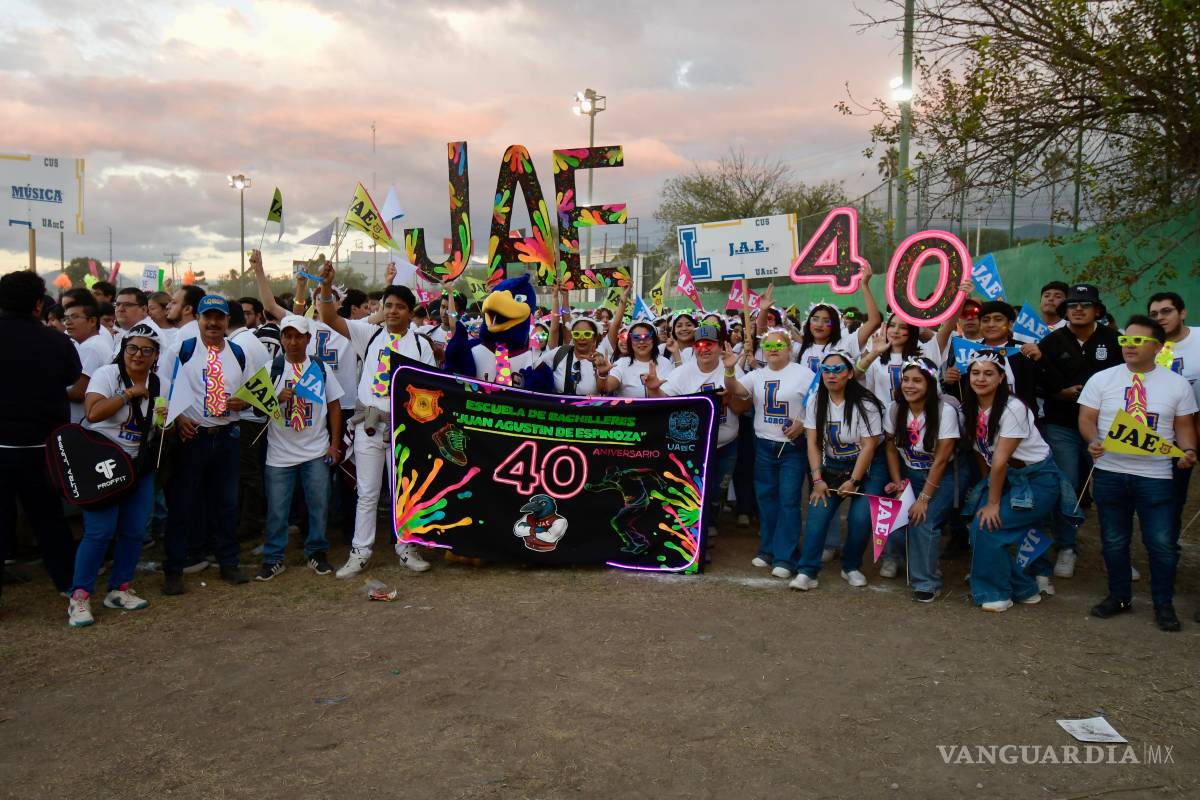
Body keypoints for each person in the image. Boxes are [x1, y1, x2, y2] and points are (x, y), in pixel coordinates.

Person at [315, 262, 437, 577]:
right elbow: (329, 318)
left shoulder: (421, 344)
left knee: (403, 490)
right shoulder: (367, 334)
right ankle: (360, 550)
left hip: (404, 430)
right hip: (368, 426)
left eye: (400, 307)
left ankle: (406, 546)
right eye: (388, 306)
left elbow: (430, 391)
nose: (393, 311)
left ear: (411, 312)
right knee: (367, 491)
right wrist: (327, 288)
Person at [1078, 316, 1197, 631]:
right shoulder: (1101, 380)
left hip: (1157, 477)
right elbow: (1087, 419)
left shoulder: (1177, 385)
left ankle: (1163, 604)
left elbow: (1185, 428)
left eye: (1137, 341)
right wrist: (1092, 441)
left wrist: (1188, 451)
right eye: (1125, 341)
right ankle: (1119, 596)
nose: (1129, 347)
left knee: (1161, 543)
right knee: (1114, 540)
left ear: (1157, 346)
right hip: (1109, 472)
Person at [961, 353, 1074, 612]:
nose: (981, 378)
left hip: (1038, 480)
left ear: (1002, 378)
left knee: (988, 523)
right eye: (976, 373)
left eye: (989, 373)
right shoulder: (969, 407)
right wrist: (986, 486)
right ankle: (1024, 589)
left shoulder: (1014, 407)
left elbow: (999, 460)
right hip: (1007, 478)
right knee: (976, 522)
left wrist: (992, 502)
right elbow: (981, 452)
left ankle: (996, 593)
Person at [67, 325, 164, 627]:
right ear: (123, 350)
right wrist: (128, 395)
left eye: (146, 350)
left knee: (134, 531)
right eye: (132, 348)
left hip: (138, 466)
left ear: (155, 355)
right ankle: (79, 596)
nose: (138, 355)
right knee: (100, 532)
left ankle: (119, 588)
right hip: (102, 464)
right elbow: (93, 413)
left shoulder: (159, 382)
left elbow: (158, 419)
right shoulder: (107, 375)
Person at [160, 295, 251, 593]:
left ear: (227, 321)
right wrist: (176, 420)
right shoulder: (182, 350)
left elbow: (250, 394)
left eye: (219, 317)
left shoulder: (237, 352)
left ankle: (228, 563)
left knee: (226, 505)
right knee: (182, 505)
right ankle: (174, 568)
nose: (213, 323)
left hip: (227, 437)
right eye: (207, 317)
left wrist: (242, 402)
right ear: (198, 318)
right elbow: (162, 391)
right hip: (192, 439)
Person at [0, 271, 81, 601]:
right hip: (43, 447)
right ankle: (67, 583)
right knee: (49, 519)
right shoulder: (57, 341)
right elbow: (71, 376)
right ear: (38, 304)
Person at [1034, 284, 1123, 579]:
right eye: (1073, 305)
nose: (1079, 309)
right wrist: (1060, 393)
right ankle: (1067, 547)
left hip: (1108, 428)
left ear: (1098, 310)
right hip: (1063, 426)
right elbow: (1039, 384)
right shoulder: (1052, 341)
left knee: (1113, 489)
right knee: (1068, 485)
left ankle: (1117, 554)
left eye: (1085, 305)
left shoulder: (1115, 341)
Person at [257, 315, 344, 581]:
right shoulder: (270, 368)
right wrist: (273, 398)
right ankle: (273, 558)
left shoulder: (319, 367)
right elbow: (254, 409)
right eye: (288, 336)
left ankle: (317, 553)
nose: (292, 342)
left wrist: (334, 445)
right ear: (282, 338)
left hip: (316, 451)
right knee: (277, 509)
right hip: (279, 454)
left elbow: (334, 406)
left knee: (319, 504)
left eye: (298, 337)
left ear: (308, 339)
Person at [724, 330, 816, 579]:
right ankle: (768, 549)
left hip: (792, 449)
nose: (773, 348)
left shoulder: (804, 374)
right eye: (768, 344)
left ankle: (786, 557)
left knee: (788, 501)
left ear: (789, 348)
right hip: (764, 445)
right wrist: (730, 369)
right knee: (766, 499)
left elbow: (817, 404)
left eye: (779, 344)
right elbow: (737, 390)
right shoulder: (757, 374)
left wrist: (803, 422)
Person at [792, 351, 887, 590]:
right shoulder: (816, 401)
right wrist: (817, 479)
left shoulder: (866, 403)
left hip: (868, 467)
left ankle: (851, 566)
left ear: (851, 373)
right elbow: (812, 443)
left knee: (861, 518)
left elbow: (869, 446)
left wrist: (854, 481)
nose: (831, 375)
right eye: (826, 370)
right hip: (833, 465)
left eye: (838, 370)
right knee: (817, 512)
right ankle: (807, 571)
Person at [648, 326, 747, 537]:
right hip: (696, 445)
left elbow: (743, 409)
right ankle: (697, 533)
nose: (705, 349)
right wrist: (655, 389)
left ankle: (710, 523)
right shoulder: (683, 372)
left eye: (710, 344)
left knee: (716, 490)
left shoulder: (732, 368)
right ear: (694, 348)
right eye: (700, 344)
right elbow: (664, 404)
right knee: (695, 489)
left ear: (720, 346)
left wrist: (729, 400)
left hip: (725, 443)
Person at [882, 357, 961, 602]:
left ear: (930, 383)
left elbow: (940, 460)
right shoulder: (896, 409)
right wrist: (898, 484)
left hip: (943, 476)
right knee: (895, 513)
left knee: (921, 520)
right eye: (906, 380)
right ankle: (895, 558)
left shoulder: (944, 411)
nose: (909, 385)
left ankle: (927, 581)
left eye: (917, 380)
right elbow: (891, 448)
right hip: (910, 473)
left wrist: (924, 499)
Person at [1146, 292, 1200, 553]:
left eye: (1166, 311)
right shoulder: (1151, 347)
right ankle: (1162, 549)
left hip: (1194, 428)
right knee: (1162, 497)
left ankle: (1166, 548)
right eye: (1154, 314)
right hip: (1161, 434)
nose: (1160, 318)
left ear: (1183, 313)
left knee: (1175, 498)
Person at [63, 297, 113, 424]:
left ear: (92, 321)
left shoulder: (91, 347)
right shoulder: (93, 344)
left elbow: (78, 393)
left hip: (80, 423)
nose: (68, 323)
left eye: (74, 317)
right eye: (66, 318)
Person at [600, 320, 674, 398]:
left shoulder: (665, 363)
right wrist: (602, 375)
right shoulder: (621, 363)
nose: (641, 341)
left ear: (654, 340)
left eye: (647, 336)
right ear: (630, 341)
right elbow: (606, 388)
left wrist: (654, 390)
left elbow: (669, 398)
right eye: (636, 337)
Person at [544, 316, 606, 396]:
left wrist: (602, 375)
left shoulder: (599, 360)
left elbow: (604, 391)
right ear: (572, 336)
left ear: (594, 338)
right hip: (559, 407)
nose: (582, 338)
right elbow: (535, 368)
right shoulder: (560, 353)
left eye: (587, 334)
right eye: (577, 334)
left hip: (588, 407)